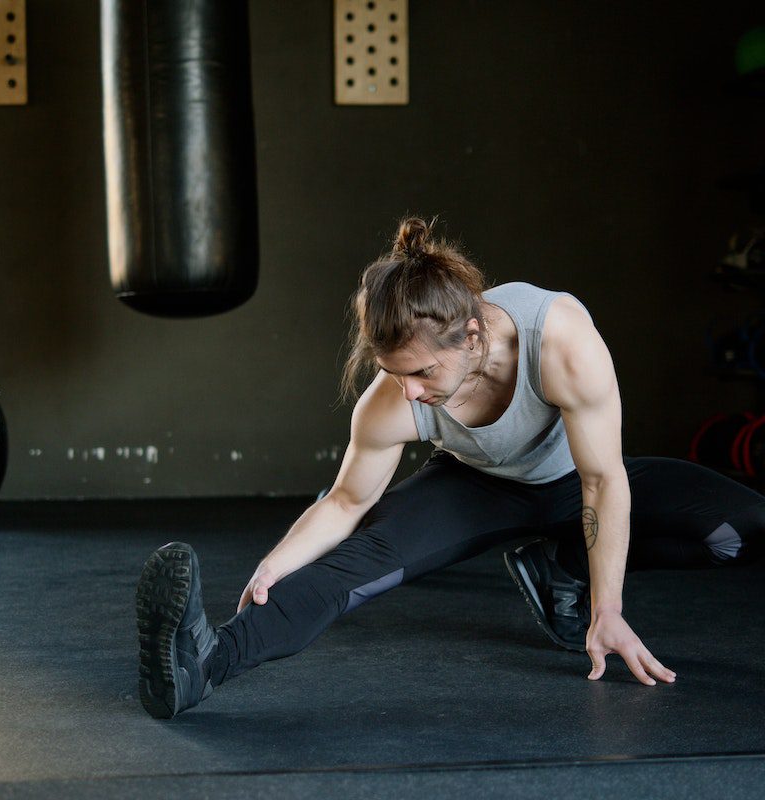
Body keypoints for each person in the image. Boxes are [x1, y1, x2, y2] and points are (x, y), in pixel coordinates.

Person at [135, 215, 765, 719]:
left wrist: (608, 610)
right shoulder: (390, 403)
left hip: (577, 480)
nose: (406, 391)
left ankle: (561, 564)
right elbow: (346, 503)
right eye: (392, 373)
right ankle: (207, 662)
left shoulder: (560, 338)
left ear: (471, 335)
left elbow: (602, 480)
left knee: (740, 528)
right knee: (353, 569)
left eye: (420, 373)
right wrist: (277, 562)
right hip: (476, 489)